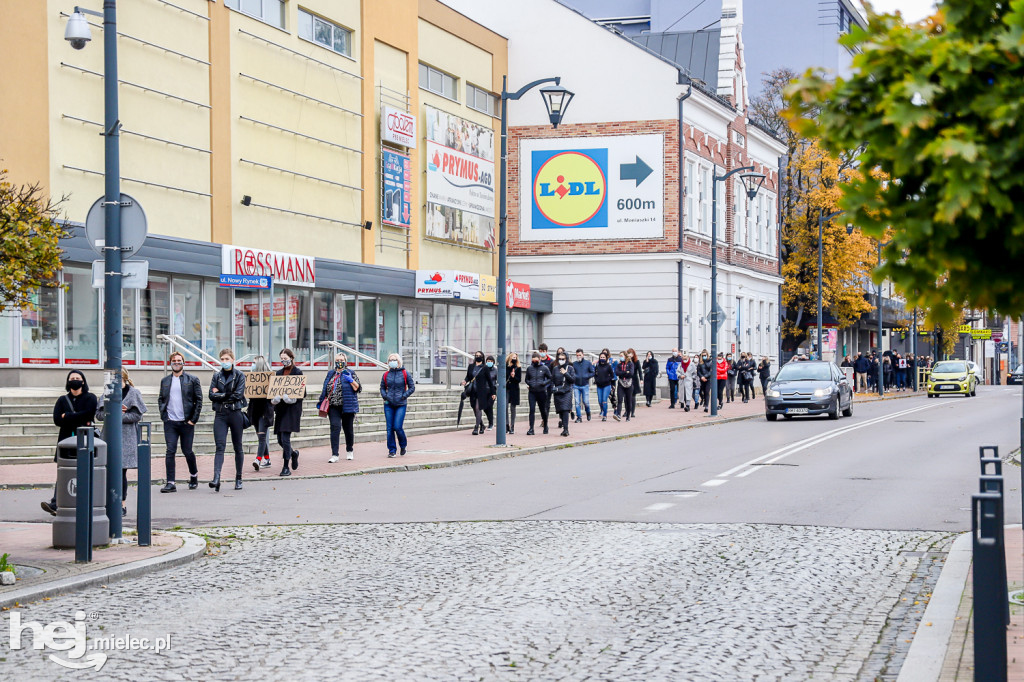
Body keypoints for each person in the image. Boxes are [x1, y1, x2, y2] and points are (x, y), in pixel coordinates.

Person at [42, 370, 99, 515]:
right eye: (72, 378)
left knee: (86, 471)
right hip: (66, 441)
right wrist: (75, 417)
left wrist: (67, 416)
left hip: (85, 439)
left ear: (83, 381)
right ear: (68, 382)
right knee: (63, 472)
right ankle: (56, 504)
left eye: (77, 378)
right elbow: (57, 420)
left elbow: (88, 414)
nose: (75, 380)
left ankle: (86, 503)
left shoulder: (91, 398)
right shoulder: (62, 400)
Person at [97, 368, 146, 517]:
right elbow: (98, 415)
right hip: (109, 437)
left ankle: (121, 503)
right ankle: (108, 501)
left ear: (124, 379)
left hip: (126, 437)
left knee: (121, 471)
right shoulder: (107, 392)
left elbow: (137, 415)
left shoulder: (134, 393)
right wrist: (110, 414)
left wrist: (119, 417)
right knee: (108, 471)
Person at [158, 352, 203, 493]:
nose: (176, 363)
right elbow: (161, 399)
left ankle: (193, 476)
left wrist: (193, 420)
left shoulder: (192, 379)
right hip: (170, 422)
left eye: (179, 360)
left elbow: (199, 400)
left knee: (187, 451)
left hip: (186, 423)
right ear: (170, 363)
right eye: (174, 361)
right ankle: (170, 482)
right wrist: (164, 416)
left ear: (183, 362)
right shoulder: (165, 381)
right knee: (170, 451)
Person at [209, 348, 247, 491]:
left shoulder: (239, 375)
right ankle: (216, 477)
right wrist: (226, 394)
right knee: (220, 446)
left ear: (232, 360)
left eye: (227, 359)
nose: (224, 361)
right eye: (222, 359)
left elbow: (238, 395)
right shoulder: (216, 376)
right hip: (220, 414)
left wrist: (221, 394)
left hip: (235, 413)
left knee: (238, 446)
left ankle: (239, 477)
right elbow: (211, 395)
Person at [318, 355, 360, 462]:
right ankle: (335, 454)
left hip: (347, 405)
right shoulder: (331, 373)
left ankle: (349, 450)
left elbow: (358, 388)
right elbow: (325, 388)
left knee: (348, 429)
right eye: (337, 360)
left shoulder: (350, 372)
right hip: (333, 406)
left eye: (341, 360)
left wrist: (350, 380)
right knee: (335, 427)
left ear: (345, 361)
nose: (339, 362)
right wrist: (321, 400)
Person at [273, 348, 305, 476]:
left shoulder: (298, 372)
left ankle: (286, 466)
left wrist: (292, 398)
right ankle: (293, 453)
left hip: (291, 410)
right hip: (281, 410)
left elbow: (303, 392)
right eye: (282, 358)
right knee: (280, 439)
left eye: (285, 358)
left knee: (285, 438)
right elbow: (274, 389)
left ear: (291, 358)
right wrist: (274, 399)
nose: (283, 361)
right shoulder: (278, 373)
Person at [380, 353, 415, 457]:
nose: (392, 361)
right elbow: (382, 387)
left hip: (401, 404)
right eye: (390, 360)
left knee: (397, 427)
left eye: (394, 359)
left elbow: (412, 387)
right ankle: (392, 450)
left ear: (399, 361)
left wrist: (404, 396)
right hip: (388, 404)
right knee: (390, 428)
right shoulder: (386, 374)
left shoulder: (405, 373)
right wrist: (385, 396)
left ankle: (403, 445)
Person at [246, 356, 274, 471]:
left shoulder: (270, 379)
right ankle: (267, 459)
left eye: (254, 363)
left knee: (262, 437)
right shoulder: (251, 379)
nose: (252, 365)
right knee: (260, 436)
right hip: (255, 411)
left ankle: (258, 459)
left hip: (264, 412)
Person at [462, 351, 496, 436]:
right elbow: (468, 377)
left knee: (478, 408)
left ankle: (476, 427)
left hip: (481, 392)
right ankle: (482, 425)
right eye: (476, 355)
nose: (477, 357)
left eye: (479, 356)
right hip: (472, 391)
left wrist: (493, 393)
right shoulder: (471, 366)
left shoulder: (485, 368)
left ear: (482, 357)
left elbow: (489, 381)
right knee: (474, 408)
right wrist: (465, 381)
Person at [525, 351, 552, 434]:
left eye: (536, 361)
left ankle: (546, 425)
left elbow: (550, 378)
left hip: (541, 392)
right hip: (532, 392)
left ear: (540, 359)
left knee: (543, 410)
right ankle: (531, 428)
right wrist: (530, 384)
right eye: (533, 361)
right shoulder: (529, 368)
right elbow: (526, 379)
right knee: (532, 410)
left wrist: (544, 383)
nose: (534, 362)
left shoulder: (544, 368)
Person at [551, 350, 576, 437]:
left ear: (567, 359)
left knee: (565, 410)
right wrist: (552, 388)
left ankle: (566, 429)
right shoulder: (555, 369)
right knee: (560, 410)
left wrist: (566, 374)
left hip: (567, 391)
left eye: (563, 359)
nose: (561, 360)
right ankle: (563, 425)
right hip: (558, 391)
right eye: (560, 359)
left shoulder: (570, 368)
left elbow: (573, 380)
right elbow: (552, 380)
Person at [571, 349, 595, 423]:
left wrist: (587, 376)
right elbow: (571, 373)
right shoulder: (574, 364)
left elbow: (593, 372)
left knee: (586, 402)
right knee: (577, 402)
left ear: (583, 355)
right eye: (577, 355)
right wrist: (575, 376)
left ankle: (588, 412)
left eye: (580, 355)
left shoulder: (588, 363)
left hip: (585, 385)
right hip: (576, 385)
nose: (578, 356)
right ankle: (579, 417)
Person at [613, 351, 635, 422]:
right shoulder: (619, 364)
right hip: (621, 383)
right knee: (619, 399)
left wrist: (623, 373)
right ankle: (618, 414)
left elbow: (631, 373)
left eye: (622, 356)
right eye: (620, 356)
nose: (621, 357)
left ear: (625, 356)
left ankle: (628, 415)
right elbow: (617, 373)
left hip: (629, 383)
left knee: (628, 401)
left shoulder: (630, 363)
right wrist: (626, 372)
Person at [593, 350, 615, 421]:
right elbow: (595, 374)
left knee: (604, 400)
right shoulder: (597, 366)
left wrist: (607, 379)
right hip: (599, 386)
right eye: (601, 357)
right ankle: (602, 410)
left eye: (603, 357)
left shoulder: (608, 366)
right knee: (600, 400)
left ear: (606, 358)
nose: (602, 358)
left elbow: (612, 375)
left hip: (607, 385)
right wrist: (596, 380)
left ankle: (605, 415)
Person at [505, 353, 521, 434]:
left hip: (514, 389)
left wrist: (514, 376)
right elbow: (503, 376)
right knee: (505, 406)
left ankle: (512, 426)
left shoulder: (518, 367)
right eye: (513, 357)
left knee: (512, 408)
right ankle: (506, 424)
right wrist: (509, 374)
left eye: (515, 357)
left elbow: (519, 380)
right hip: (507, 388)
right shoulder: (506, 367)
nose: (514, 359)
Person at [628, 349, 642, 418]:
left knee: (633, 396)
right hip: (627, 380)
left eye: (631, 353)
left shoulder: (636, 362)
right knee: (627, 397)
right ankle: (627, 411)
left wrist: (641, 379)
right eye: (628, 353)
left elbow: (640, 371)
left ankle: (632, 412)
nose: (630, 355)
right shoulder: (625, 362)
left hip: (634, 380)